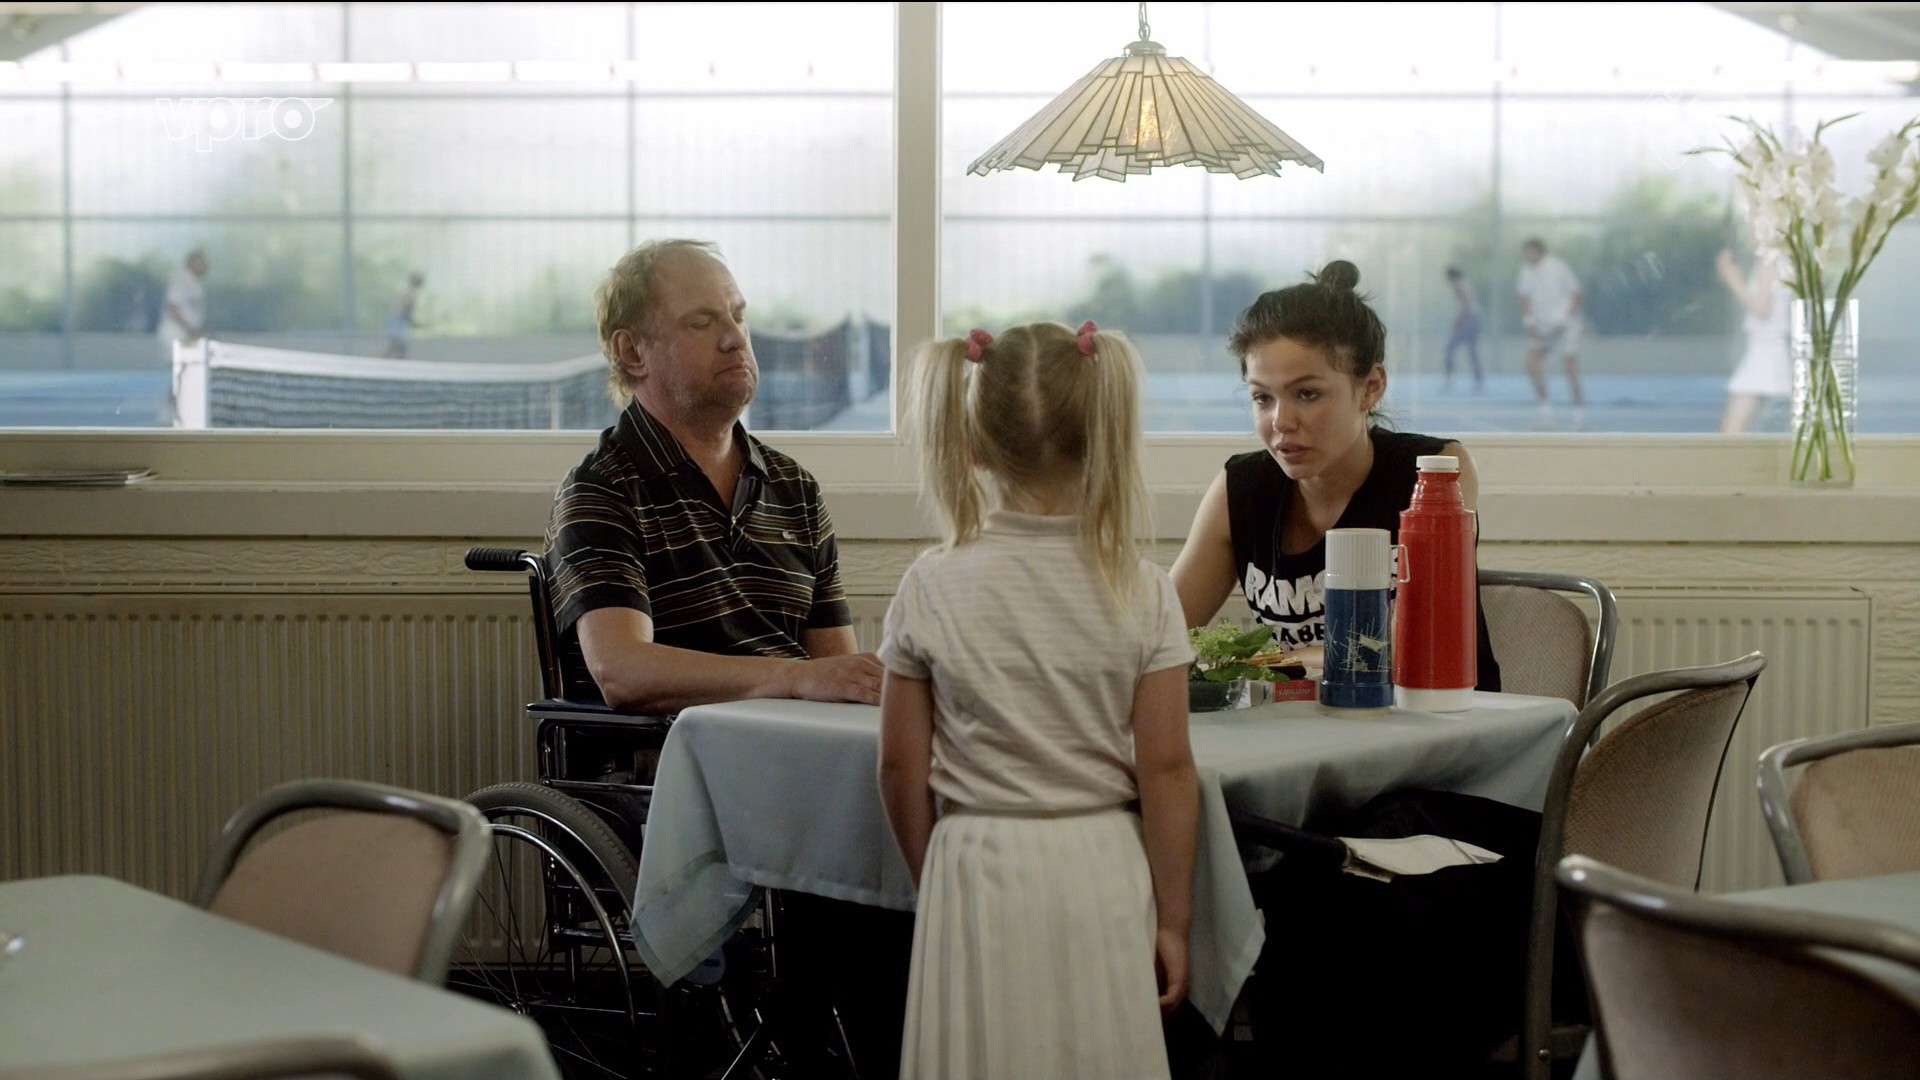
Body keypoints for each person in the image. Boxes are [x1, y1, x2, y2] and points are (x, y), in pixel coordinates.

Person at [877, 320, 1199, 1080]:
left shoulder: (930, 584)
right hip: (1101, 864)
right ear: (1103, 437)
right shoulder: (1143, 590)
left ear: (974, 446)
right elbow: (1167, 769)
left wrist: (931, 875)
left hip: (973, 865)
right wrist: (1175, 921)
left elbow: (897, 766)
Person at [545, 238, 882, 714]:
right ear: (632, 352)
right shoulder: (603, 488)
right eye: (702, 323)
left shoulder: (796, 489)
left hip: (797, 747)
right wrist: (794, 677)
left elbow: (839, 676)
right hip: (675, 755)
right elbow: (622, 672)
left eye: (738, 316)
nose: (735, 338)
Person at [1169, 259, 1501, 689]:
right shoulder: (1241, 487)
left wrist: (1256, 663)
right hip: (1305, 724)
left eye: (1307, 394)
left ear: (1371, 387)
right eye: (1262, 398)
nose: (1281, 421)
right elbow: (1158, 638)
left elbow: (1404, 650)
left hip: (1440, 722)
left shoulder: (1432, 473)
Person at [1717, 247, 1792, 434]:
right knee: (1737, 428)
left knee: (1732, 430)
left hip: (1765, 351)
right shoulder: (1774, 260)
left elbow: (1762, 308)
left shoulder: (1771, 260)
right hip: (1762, 349)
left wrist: (1733, 279)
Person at [1516, 237, 1585, 428]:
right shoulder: (1525, 271)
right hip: (1543, 327)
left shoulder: (1558, 266)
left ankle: (1578, 414)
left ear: (1539, 251)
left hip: (1566, 325)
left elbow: (1576, 294)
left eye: (1531, 251)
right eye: (1526, 252)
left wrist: (1565, 317)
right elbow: (1523, 298)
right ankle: (1545, 410)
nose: (1528, 255)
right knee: (1532, 363)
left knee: (1569, 367)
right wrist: (1530, 323)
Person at [156, 249, 209, 426]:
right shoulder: (181, 279)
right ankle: (168, 413)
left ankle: (174, 411)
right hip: (174, 334)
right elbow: (172, 306)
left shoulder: (195, 283)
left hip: (186, 335)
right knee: (181, 372)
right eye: (202, 262)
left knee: (185, 373)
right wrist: (192, 329)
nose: (206, 266)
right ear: (193, 262)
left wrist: (197, 330)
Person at [1443, 265, 1484, 393]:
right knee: (1472, 350)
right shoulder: (1465, 283)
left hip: (1468, 319)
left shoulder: (1458, 284)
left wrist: (1459, 318)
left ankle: (1449, 377)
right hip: (1475, 318)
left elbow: (1465, 302)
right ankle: (1478, 380)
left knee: (1450, 348)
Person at [383, 271, 425, 359]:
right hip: (398, 320)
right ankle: (383, 362)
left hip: (398, 319)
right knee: (397, 345)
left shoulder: (409, 292)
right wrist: (413, 322)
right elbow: (405, 309)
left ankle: (391, 360)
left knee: (397, 346)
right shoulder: (411, 293)